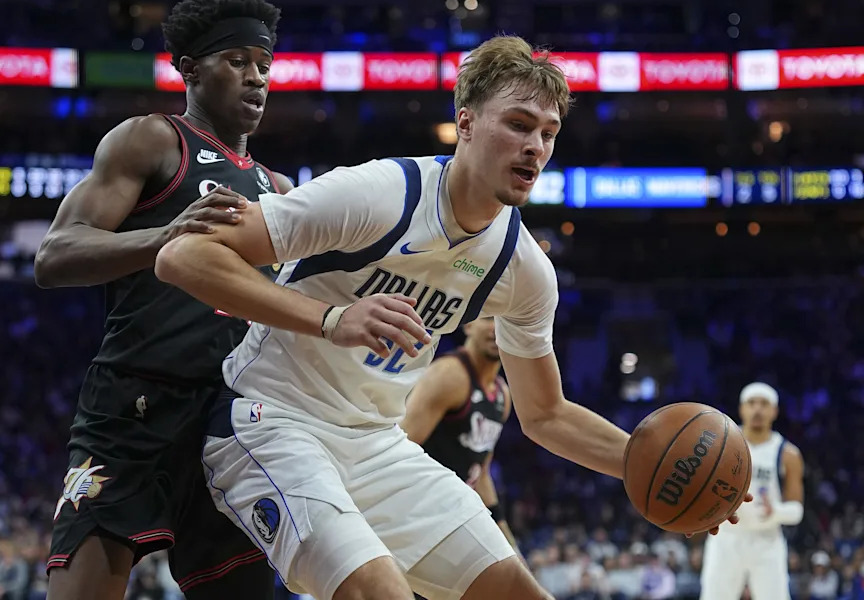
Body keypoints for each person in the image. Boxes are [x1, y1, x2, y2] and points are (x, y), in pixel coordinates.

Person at [155, 35, 740, 600]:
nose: (535, 146)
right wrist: (332, 318)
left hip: (375, 445)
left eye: (548, 132)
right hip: (270, 420)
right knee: (378, 592)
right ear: (464, 122)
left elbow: (546, 414)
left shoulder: (523, 268)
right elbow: (185, 256)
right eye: (517, 125)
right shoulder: (379, 194)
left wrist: (655, 471)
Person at [34, 0, 292, 600]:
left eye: (264, 66)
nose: (256, 79)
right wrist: (165, 238)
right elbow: (54, 255)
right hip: (133, 403)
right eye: (237, 61)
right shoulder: (152, 140)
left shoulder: (280, 190)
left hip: (232, 419)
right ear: (190, 67)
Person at [400, 317, 523, 559]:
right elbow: (398, 448)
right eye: (489, 318)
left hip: (451, 517)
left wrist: (503, 530)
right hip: (416, 515)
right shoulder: (449, 375)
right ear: (468, 325)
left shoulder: (502, 395)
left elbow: (481, 471)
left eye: (504, 321)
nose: (496, 328)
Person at [700, 382, 805, 600]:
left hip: (767, 540)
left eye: (764, 404)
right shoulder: (721, 444)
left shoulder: (788, 453)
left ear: (774, 411)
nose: (757, 409)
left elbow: (797, 510)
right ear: (741, 409)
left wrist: (775, 511)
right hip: (726, 538)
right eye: (751, 403)